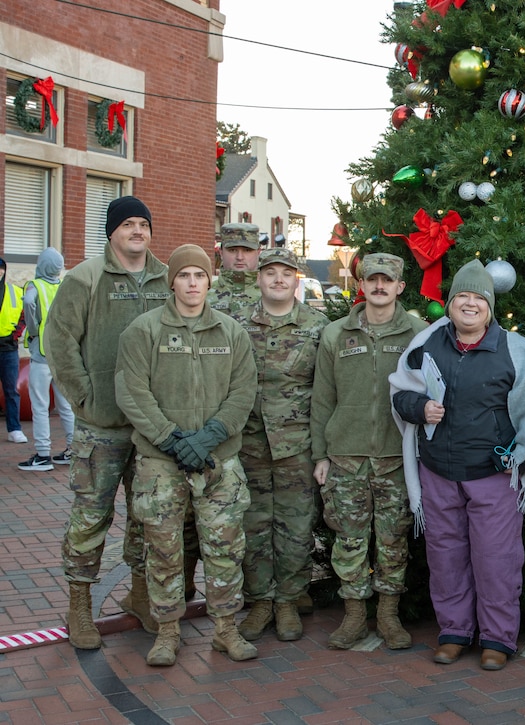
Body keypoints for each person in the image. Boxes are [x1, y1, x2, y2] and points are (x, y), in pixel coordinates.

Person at [390, 259, 525, 672]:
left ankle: (498, 638)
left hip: (493, 476)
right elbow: (399, 395)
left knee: (496, 559)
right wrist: (418, 406)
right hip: (438, 472)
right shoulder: (426, 344)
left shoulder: (516, 350)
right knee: (445, 557)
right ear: (449, 303)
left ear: (490, 307)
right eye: (461, 295)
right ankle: (453, 633)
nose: (469, 304)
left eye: (478, 297)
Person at [115, 244, 259, 666]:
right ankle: (166, 631)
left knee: (225, 547)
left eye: (199, 275)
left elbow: (243, 390)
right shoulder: (144, 331)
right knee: (162, 549)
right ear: (172, 281)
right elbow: (132, 391)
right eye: (184, 276)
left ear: (209, 280)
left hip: (219, 461)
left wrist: (210, 435)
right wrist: (172, 439)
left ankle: (225, 630)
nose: (192, 283)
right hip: (161, 463)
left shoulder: (231, 332)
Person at [45, 196, 173, 649]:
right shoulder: (86, 278)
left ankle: (139, 594)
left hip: (152, 426)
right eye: (128, 225)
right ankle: (79, 605)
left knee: (147, 516)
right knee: (91, 515)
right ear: (112, 231)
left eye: (144, 223)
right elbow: (58, 343)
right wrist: (85, 398)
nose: (138, 231)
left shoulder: (166, 278)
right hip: (103, 426)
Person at [311, 253, 426, 650]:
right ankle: (355, 615)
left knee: (393, 540)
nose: (379, 286)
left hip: (397, 457)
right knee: (349, 540)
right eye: (371, 279)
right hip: (346, 455)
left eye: (387, 280)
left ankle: (388, 614)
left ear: (399, 287)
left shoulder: (418, 333)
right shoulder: (335, 334)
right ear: (361, 285)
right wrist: (320, 455)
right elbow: (322, 398)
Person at [234, 249, 328, 643]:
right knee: (252, 525)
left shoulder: (319, 327)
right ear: (259, 279)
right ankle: (259, 601)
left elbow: (326, 391)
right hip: (249, 443)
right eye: (269, 272)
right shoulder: (236, 325)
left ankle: (288, 600)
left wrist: (322, 450)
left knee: (295, 526)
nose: (277, 279)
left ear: (296, 280)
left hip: (297, 444)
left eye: (285, 274)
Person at [17, 248, 75, 471]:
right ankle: (72, 449)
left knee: (40, 406)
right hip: (61, 354)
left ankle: (42, 455)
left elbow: (30, 303)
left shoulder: (35, 285)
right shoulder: (62, 287)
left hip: (41, 354)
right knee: (65, 405)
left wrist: (32, 330)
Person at [210, 222, 262, 322]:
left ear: (258, 253)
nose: (239, 257)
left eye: (247, 250)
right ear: (221, 253)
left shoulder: (271, 294)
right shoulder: (203, 294)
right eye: (233, 250)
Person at [0, 256, 26, 444]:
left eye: (1, 270)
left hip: (8, 349)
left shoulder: (15, 292)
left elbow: (23, 318)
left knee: (11, 390)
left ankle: (14, 429)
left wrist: (14, 336)